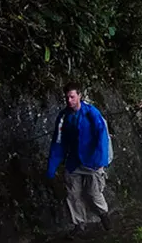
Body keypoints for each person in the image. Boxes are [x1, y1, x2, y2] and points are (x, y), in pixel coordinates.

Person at [47, 82, 112, 233]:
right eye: (67, 97)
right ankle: (79, 224)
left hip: (92, 161)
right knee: (72, 194)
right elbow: (58, 142)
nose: (69, 100)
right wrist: (52, 166)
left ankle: (103, 214)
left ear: (79, 96)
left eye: (72, 97)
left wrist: (100, 161)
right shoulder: (63, 117)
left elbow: (102, 137)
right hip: (74, 161)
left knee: (93, 193)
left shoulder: (92, 113)